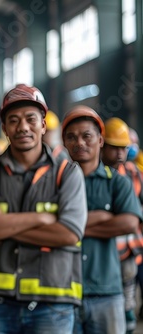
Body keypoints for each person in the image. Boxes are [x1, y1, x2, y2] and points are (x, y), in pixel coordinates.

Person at [0, 84, 88, 334]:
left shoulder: (67, 173)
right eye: (13, 120)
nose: (23, 127)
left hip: (53, 306)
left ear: (43, 125)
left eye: (30, 119)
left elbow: (69, 233)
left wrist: (3, 225)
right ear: (4, 129)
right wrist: (41, 217)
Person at [61, 106, 142, 334]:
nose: (80, 142)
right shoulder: (55, 183)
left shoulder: (118, 183)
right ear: (64, 143)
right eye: (71, 137)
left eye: (87, 136)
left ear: (100, 139)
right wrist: (104, 218)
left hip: (107, 292)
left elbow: (129, 223)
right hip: (63, 292)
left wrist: (70, 229)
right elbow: (45, 221)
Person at [101, 117, 143, 333]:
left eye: (123, 148)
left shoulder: (135, 174)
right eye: (114, 148)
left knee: (128, 298)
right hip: (102, 250)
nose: (119, 153)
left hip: (129, 250)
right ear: (102, 145)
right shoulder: (95, 174)